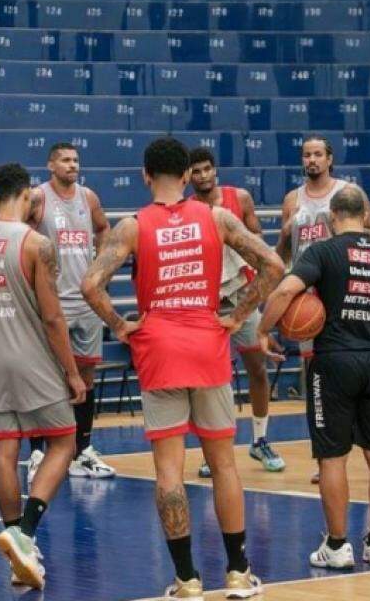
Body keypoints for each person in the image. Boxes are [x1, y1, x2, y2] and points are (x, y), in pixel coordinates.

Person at [82, 137, 283, 600]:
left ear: (146, 175)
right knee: (225, 464)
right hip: (208, 343)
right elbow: (272, 263)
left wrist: (119, 325)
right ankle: (236, 573)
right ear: (189, 175)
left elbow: (90, 284)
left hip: (159, 349)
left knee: (169, 472)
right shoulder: (215, 216)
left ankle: (187, 579)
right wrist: (236, 315)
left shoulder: (133, 226)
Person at [259, 184, 370, 570]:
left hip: (334, 363)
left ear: (332, 218)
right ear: (365, 215)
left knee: (333, 458)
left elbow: (284, 293)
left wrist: (263, 330)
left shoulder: (322, 251)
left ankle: (336, 545)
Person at [0, 163, 86, 590]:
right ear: (29, 193)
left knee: (4, 448)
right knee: (64, 441)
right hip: (31, 359)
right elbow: (52, 318)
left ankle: (20, 547)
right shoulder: (36, 243)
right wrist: (71, 372)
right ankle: (25, 533)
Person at [188, 147, 285, 476]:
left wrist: (238, 238)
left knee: (257, 368)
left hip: (242, 293)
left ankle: (259, 441)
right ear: (187, 176)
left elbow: (258, 238)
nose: (202, 175)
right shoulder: (186, 210)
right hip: (207, 298)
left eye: (206, 169)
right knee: (212, 379)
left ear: (215, 170)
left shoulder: (239, 198)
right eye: (196, 171)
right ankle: (213, 451)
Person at [26, 142, 114, 483]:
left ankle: (82, 451)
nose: (72, 165)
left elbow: (104, 228)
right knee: (46, 376)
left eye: (76, 160)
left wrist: (101, 267)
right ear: (51, 165)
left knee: (87, 377)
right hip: (53, 300)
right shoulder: (38, 197)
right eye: (65, 160)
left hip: (86, 299)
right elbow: (18, 232)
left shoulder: (88, 197)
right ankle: (36, 453)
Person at [275, 135, 370, 375]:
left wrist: (342, 229)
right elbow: (282, 257)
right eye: (307, 155)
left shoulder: (349, 193)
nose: (312, 160)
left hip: (344, 286)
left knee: (343, 361)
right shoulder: (292, 200)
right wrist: (284, 233)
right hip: (309, 291)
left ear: (329, 159)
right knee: (313, 367)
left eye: (317, 154)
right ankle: (317, 412)